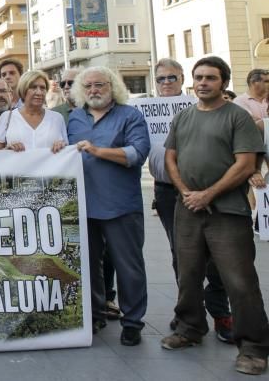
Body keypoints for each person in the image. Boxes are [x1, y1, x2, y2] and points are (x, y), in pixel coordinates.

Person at [161, 56, 269, 376]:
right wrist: (186, 193)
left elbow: (246, 165)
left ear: (223, 82)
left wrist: (208, 194)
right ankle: (190, 328)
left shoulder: (239, 117)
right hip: (188, 210)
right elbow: (171, 158)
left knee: (239, 281)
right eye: (199, 77)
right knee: (188, 274)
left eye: (210, 77)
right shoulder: (182, 117)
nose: (203, 82)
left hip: (228, 213)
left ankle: (253, 346)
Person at [147, 58, 233, 341]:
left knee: (216, 256)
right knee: (181, 256)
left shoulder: (197, 105)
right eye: (161, 79)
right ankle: (189, 314)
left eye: (172, 78)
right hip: (167, 191)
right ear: (155, 82)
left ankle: (221, 313)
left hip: (207, 191)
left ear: (183, 78)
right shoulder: (144, 111)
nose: (167, 83)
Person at [67, 67, 150, 346]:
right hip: (83, 205)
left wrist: (98, 151)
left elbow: (137, 153)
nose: (93, 90)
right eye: (87, 86)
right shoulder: (75, 117)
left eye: (100, 85)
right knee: (88, 266)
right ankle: (94, 315)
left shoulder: (130, 115)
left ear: (112, 87)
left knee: (129, 267)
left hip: (120, 205)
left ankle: (132, 322)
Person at [0, 70, 67, 154]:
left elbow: (67, 150)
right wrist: (7, 150)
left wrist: (62, 146)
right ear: (23, 90)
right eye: (33, 87)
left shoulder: (57, 118)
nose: (39, 92)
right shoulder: (6, 118)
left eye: (42, 88)